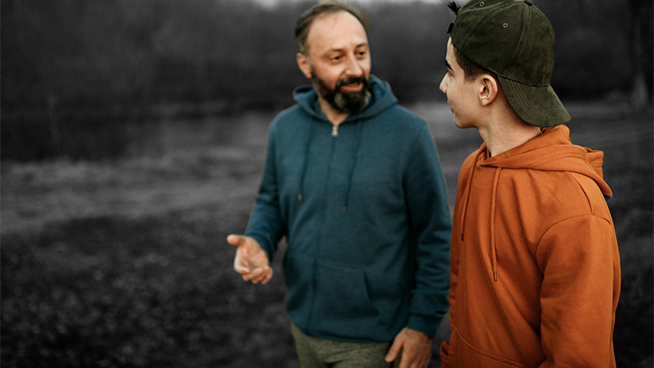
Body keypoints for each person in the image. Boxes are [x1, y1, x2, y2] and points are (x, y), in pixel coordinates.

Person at [227, 1, 452, 367]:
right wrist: (258, 241)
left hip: (378, 341)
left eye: (361, 53)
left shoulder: (408, 135)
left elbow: (435, 235)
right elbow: (271, 201)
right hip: (304, 329)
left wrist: (423, 326)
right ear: (306, 64)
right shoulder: (284, 129)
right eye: (336, 58)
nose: (354, 69)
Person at [437, 0, 621, 367]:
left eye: (450, 72)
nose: (442, 85)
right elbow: (461, 290)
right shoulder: (473, 168)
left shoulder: (576, 210)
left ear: (486, 90)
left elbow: (580, 359)